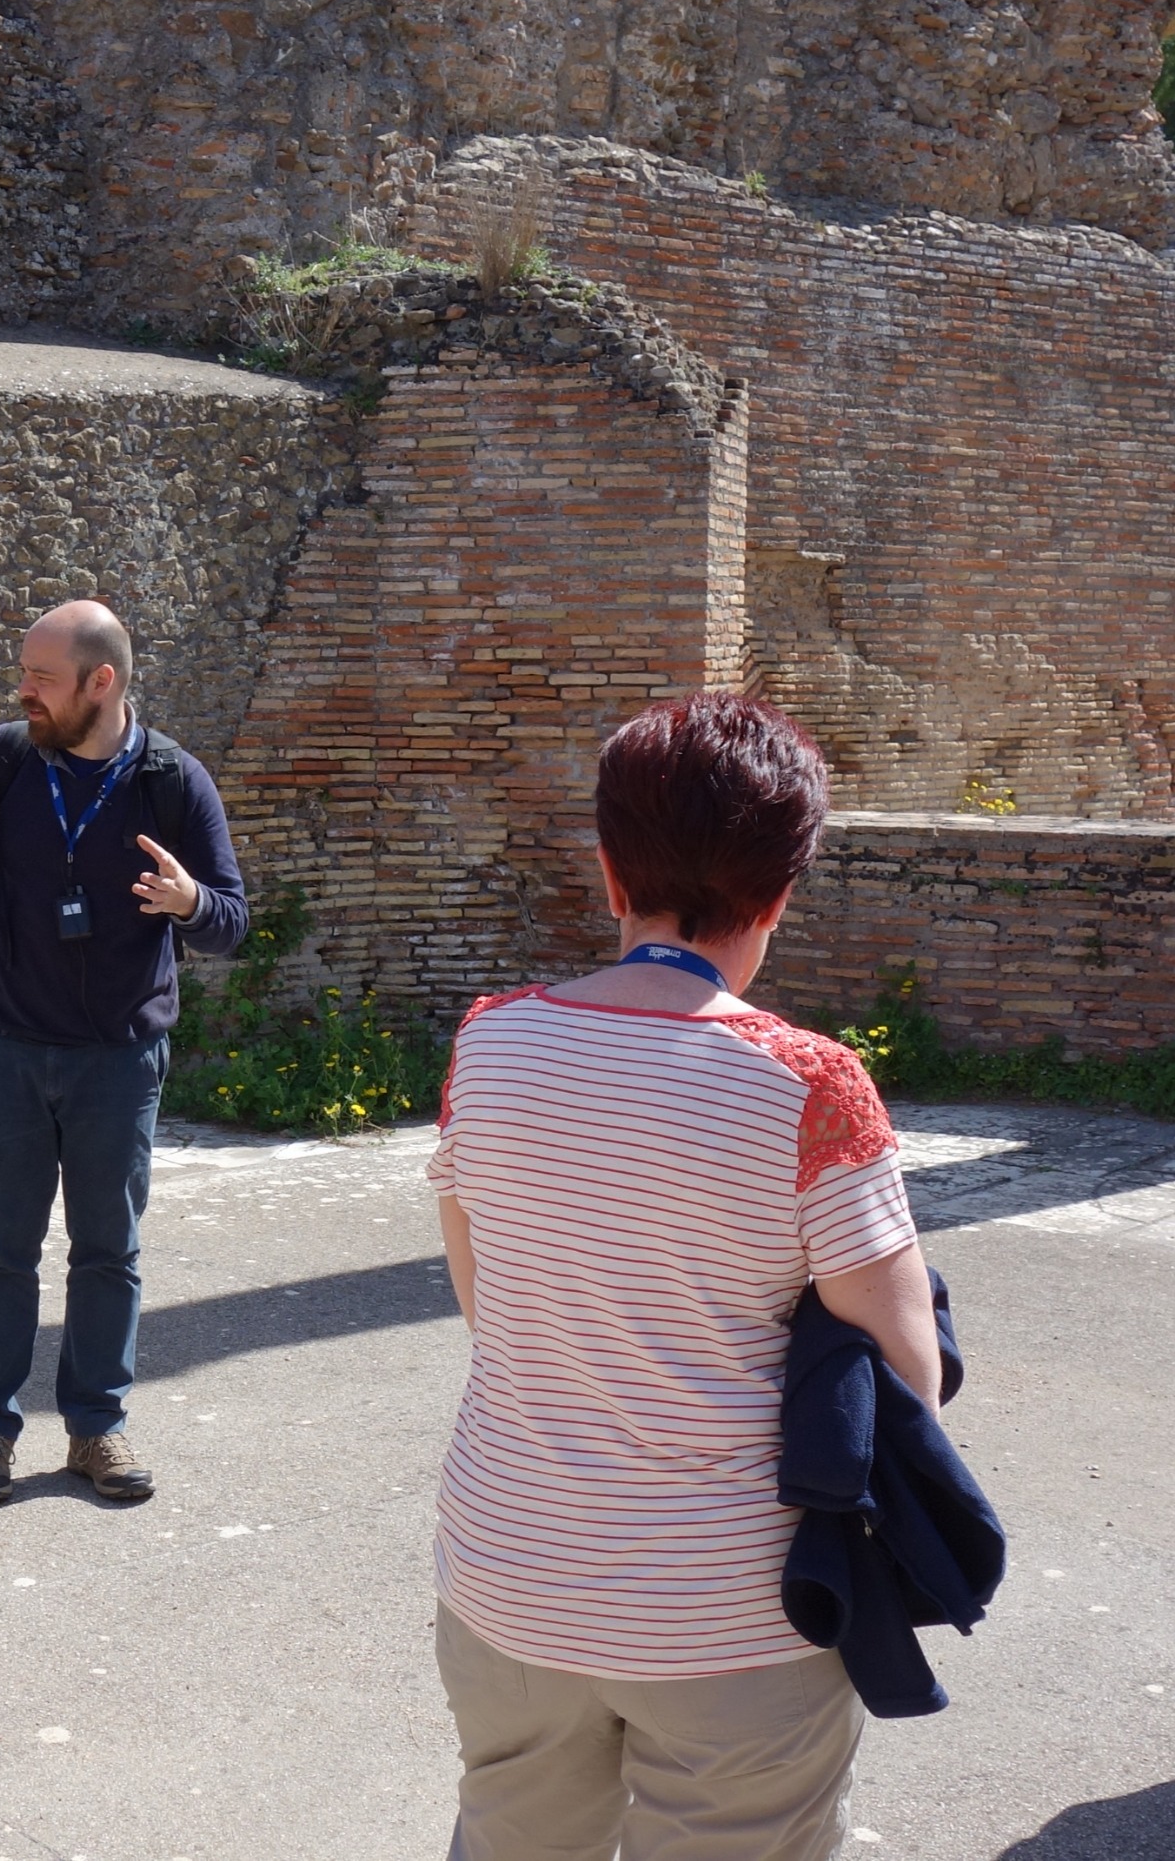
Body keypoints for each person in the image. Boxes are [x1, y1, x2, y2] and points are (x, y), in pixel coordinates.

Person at [429, 691, 939, 1861]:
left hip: (510, 1577)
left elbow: (483, 1300)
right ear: (781, 890)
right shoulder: (811, 1085)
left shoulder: (490, 1041)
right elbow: (910, 1379)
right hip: (733, 1613)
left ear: (611, 872)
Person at [0, 600, 249, 1505]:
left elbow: (232, 922)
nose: (24, 692)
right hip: (6, 1051)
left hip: (118, 1063)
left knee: (108, 1251)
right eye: (25, 675)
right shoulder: (3, 758)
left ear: (103, 682)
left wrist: (189, 905)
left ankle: (97, 1429)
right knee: (1, 1251)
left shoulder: (173, 779)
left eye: (42, 678)